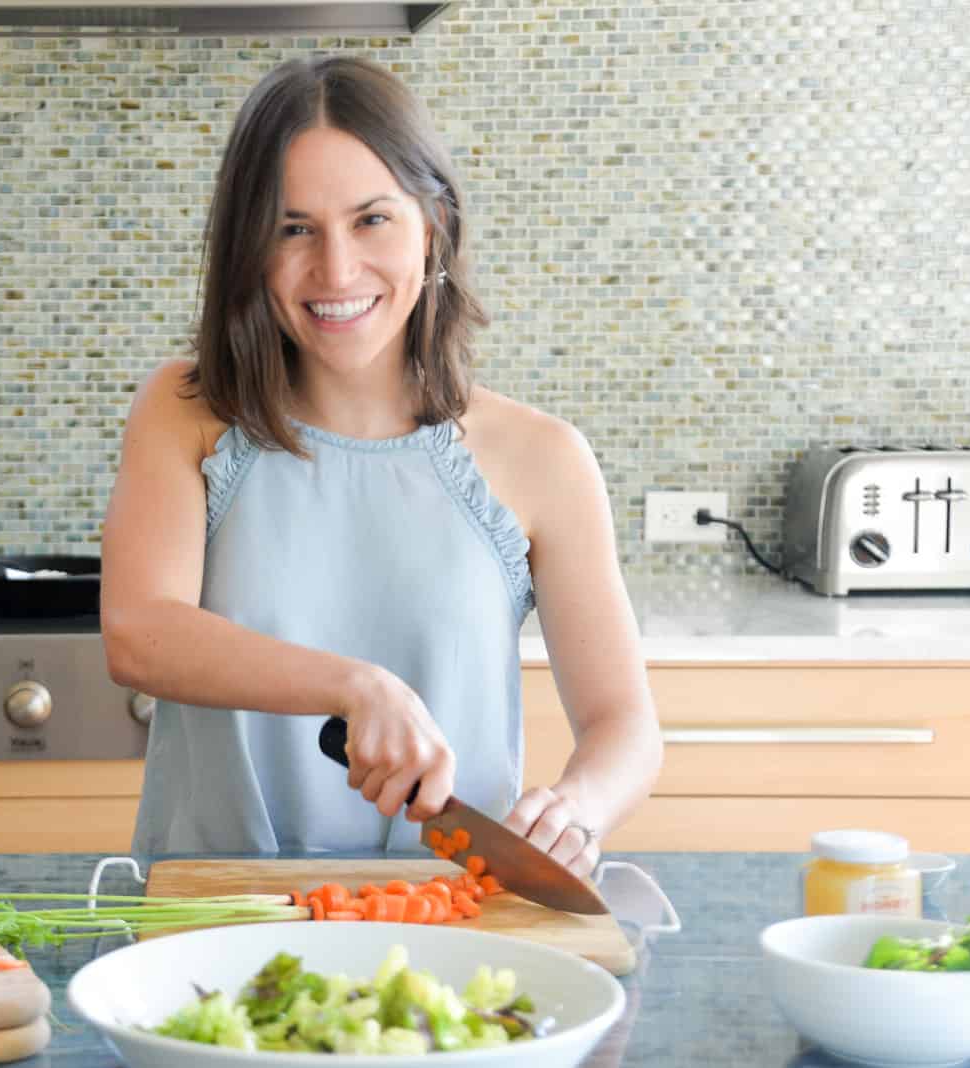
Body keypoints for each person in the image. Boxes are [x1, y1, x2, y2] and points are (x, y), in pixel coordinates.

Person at [99, 54, 662, 877]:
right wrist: (357, 687)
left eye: (371, 220)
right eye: (293, 229)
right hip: (214, 916)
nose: (335, 271)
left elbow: (625, 726)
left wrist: (575, 810)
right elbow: (141, 634)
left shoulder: (543, 459)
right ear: (249, 250)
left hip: (447, 916)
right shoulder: (184, 411)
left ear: (431, 223)